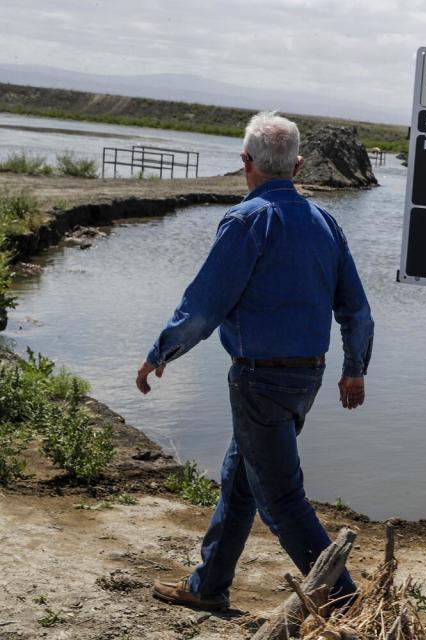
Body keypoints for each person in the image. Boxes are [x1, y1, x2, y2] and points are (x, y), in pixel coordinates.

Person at [137, 111, 374, 611]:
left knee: (282, 499)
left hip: (259, 381)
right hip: (308, 376)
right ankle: (208, 586)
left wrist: (162, 352)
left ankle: (348, 605)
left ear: (246, 162)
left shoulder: (248, 220)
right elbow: (355, 308)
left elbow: (205, 304)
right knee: (240, 479)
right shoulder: (325, 222)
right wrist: (354, 369)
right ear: (298, 164)